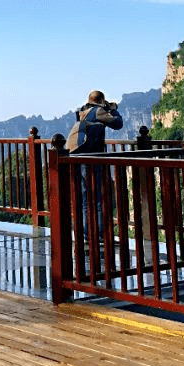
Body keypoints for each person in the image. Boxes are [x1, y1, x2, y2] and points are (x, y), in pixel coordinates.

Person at [67, 91, 123, 256]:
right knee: (97, 198)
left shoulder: (83, 111)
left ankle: (86, 235)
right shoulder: (98, 111)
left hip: (78, 156)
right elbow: (118, 123)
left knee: (85, 199)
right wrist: (113, 109)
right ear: (100, 100)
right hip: (92, 157)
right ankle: (99, 236)